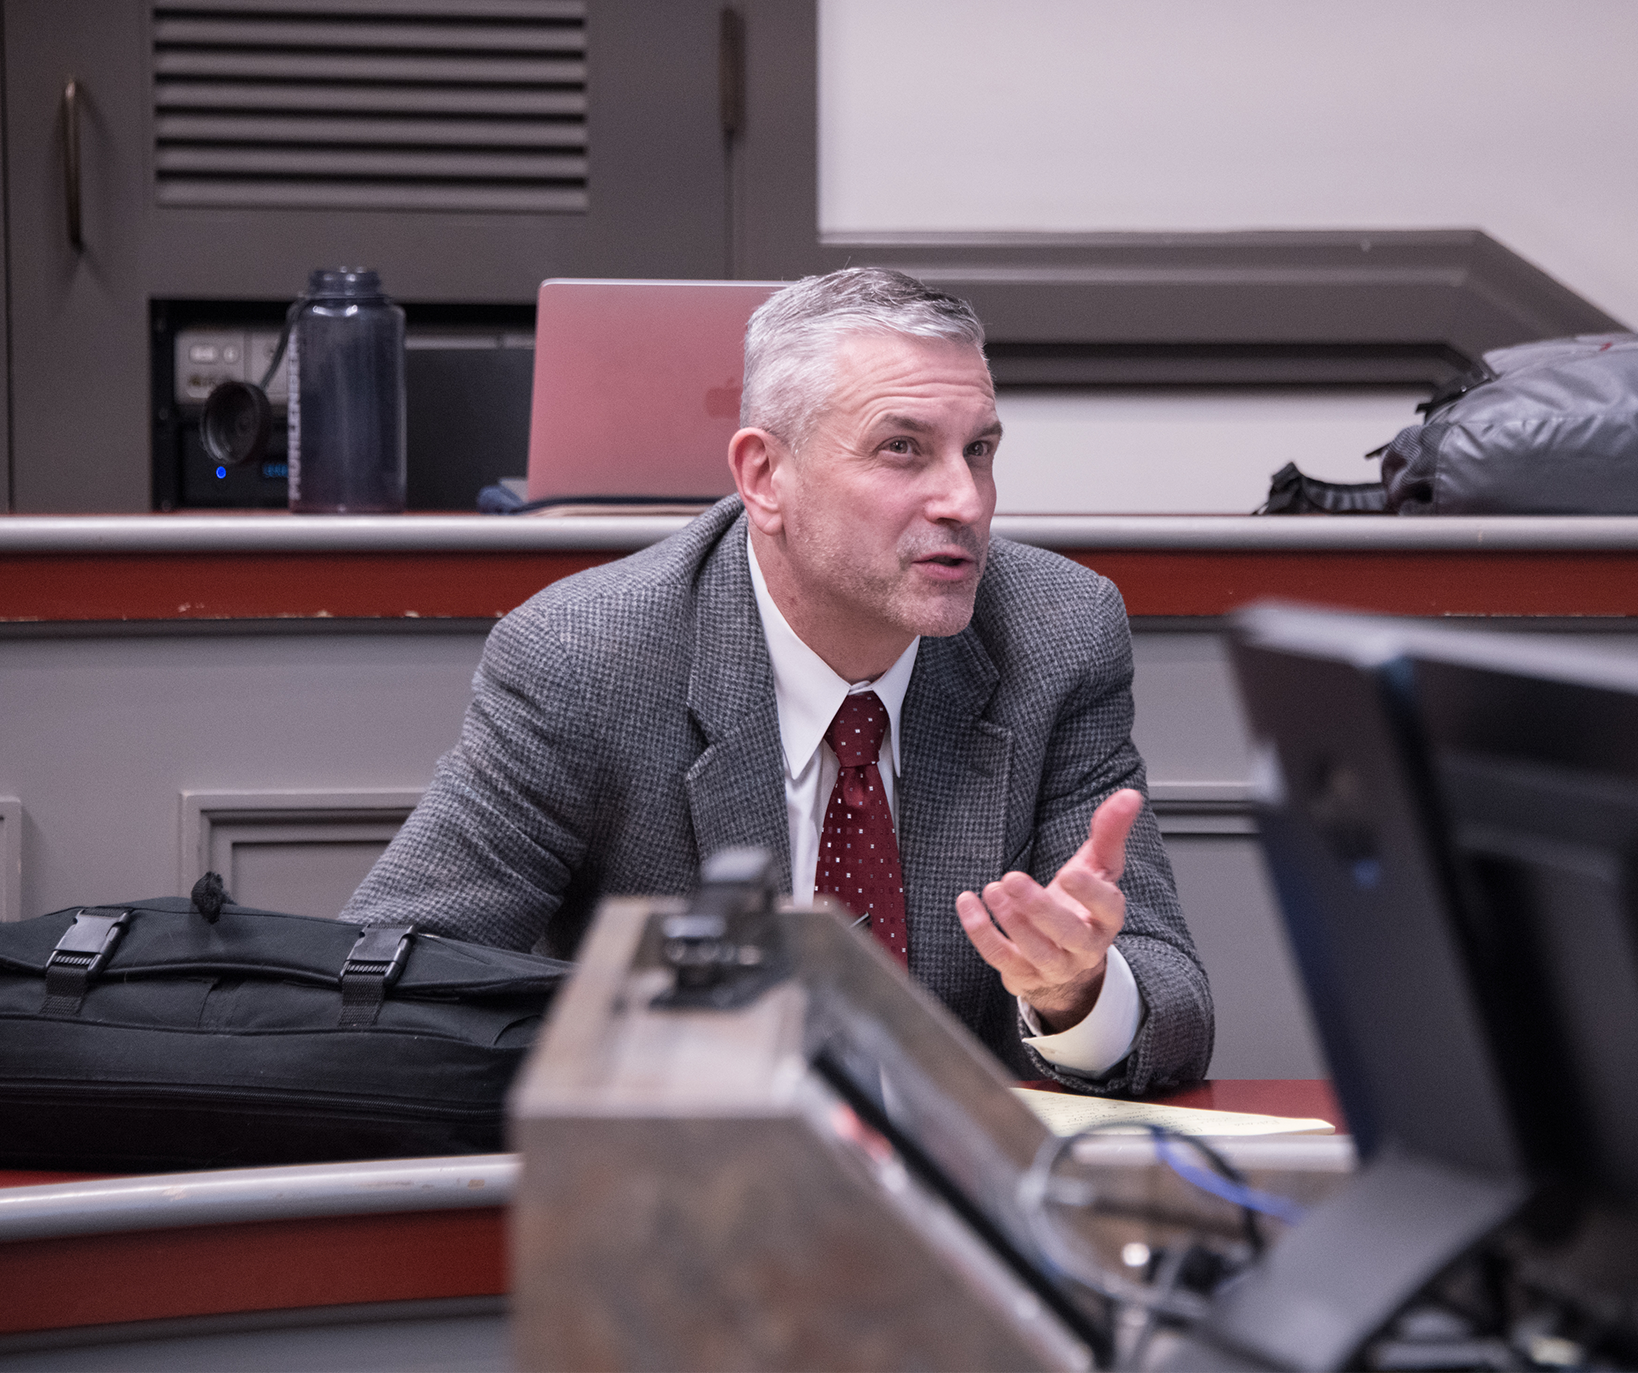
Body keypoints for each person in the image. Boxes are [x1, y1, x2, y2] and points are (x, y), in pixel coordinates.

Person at [342, 268, 1212, 1095]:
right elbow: (392, 987)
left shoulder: (1056, 636)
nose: (966, 501)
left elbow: (1172, 1003)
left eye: (978, 450)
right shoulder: (588, 658)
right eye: (902, 449)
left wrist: (1075, 992)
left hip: (959, 1183)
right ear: (765, 477)